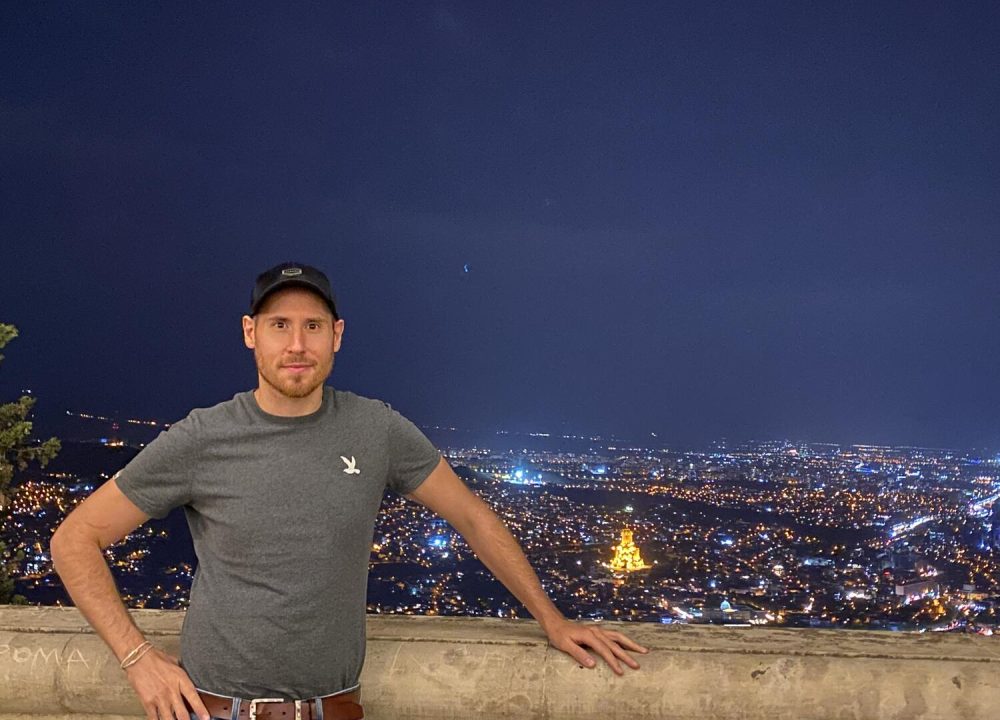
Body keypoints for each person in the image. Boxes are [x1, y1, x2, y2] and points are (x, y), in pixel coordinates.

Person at [50, 262, 648, 720]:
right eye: (279, 325)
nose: (297, 345)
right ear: (249, 333)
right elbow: (75, 538)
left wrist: (552, 619)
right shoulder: (202, 437)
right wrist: (137, 659)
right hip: (217, 708)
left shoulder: (375, 428)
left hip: (337, 707)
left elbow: (471, 515)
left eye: (312, 326)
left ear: (337, 335)